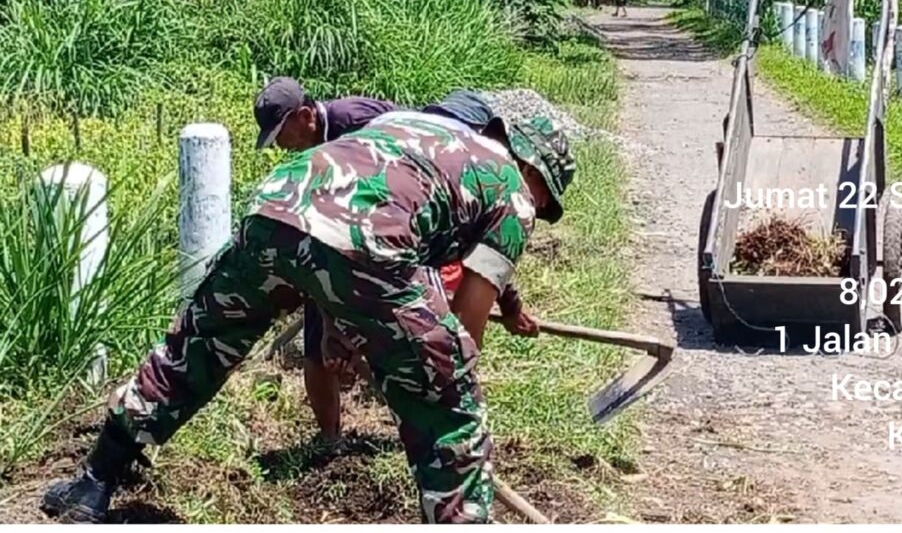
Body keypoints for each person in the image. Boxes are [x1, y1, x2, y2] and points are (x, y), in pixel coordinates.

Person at [41, 110, 575, 524]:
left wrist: (359, 327)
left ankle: (91, 484)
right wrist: (427, 373)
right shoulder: (513, 192)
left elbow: (340, 221)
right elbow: (466, 327)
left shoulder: (422, 129)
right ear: (533, 167)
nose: (539, 211)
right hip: (367, 247)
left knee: (197, 346)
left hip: (276, 208)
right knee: (451, 404)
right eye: (546, 200)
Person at [253, 77, 533, 441]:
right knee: (320, 340)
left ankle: (446, 423)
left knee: (422, 329)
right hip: (338, 243)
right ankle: (329, 440)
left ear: (304, 116)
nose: (281, 146)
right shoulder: (315, 151)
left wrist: (509, 305)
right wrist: (333, 323)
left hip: (402, 237)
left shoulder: (356, 123)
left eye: (281, 135)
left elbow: (481, 248)